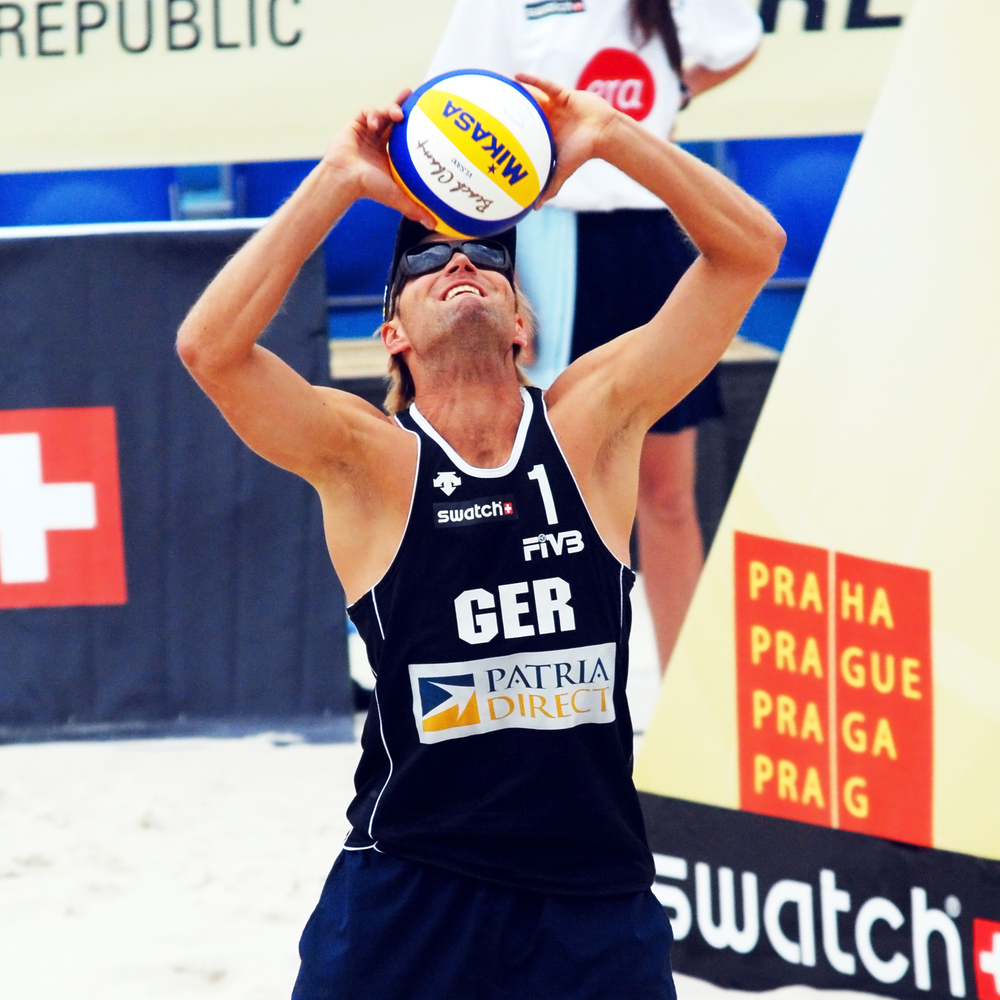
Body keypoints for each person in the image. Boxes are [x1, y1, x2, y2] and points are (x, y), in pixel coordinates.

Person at [176, 72, 783, 1000]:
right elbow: (209, 350)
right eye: (425, 265)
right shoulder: (368, 460)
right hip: (411, 888)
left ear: (523, 326)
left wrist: (609, 134)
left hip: (592, 898)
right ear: (393, 336)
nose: (459, 266)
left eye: (488, 261)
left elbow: (750, 252)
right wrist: (339, 176)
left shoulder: (591, 426)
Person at [428, 0, 763, 672]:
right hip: (543, 240)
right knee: (533, 491)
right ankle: (539, 698)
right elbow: (448, 106)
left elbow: (736, 42)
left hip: (646, 240)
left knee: (667, 495)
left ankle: (684, 711)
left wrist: (672, 93)